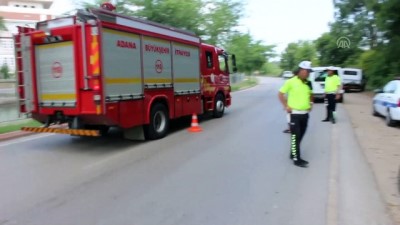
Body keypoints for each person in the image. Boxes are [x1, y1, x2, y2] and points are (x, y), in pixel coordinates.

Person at [278, 61, 314, 168]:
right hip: (294, 114)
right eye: (307, 71)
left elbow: (311, 94)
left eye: (309, 72)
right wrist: (286, 106)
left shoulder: (309, 82)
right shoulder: (291, 81)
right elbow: (280, 94)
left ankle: (293, 152)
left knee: (301, 135)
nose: (308, 74)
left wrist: (311, 103)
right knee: (295, 136)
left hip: (305, 114)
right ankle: (296, 159)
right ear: (302, 70)